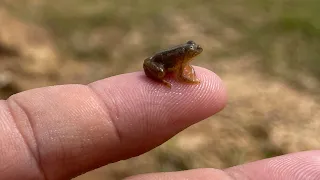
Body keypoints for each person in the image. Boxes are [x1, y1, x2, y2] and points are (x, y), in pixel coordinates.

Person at [0, 67, 319, 180]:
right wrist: (175, 81)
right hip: (153, 66)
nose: (193, 54)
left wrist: (184, 77)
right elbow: (178, 72)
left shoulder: (183, 58)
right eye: (192, 52)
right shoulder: (177, 62)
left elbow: (182, 70)